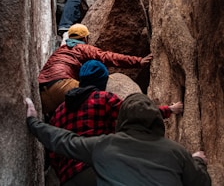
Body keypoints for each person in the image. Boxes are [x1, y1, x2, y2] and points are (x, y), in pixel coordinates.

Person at [26, 93, 211, 186]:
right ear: (155, 119)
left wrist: (34, 122)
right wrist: (197, 161)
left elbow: (63, 140)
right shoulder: (176, 152)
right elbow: (202, 182)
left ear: (122, 118)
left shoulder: (105, 145)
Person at [47, 60, 184, 186]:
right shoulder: (102, 99)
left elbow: (52, 150)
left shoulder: (59, 111)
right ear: (102, 81)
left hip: (68, 179)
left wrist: (64, 173)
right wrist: (169, 110)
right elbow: (137, 114)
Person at [38, 23, 153, 116]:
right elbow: (107, 57)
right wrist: (137, 61)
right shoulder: (82, 48)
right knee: (97, 103)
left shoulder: (60, 51)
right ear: (85, 38)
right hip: (63, 85)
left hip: (43, 92)